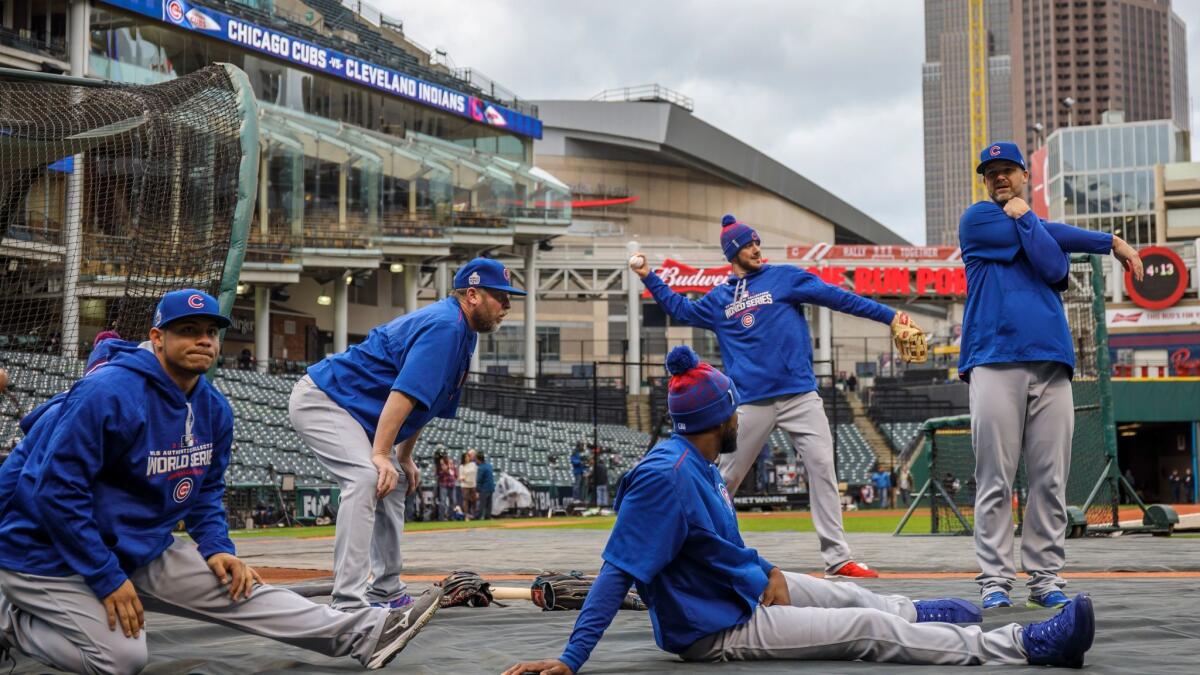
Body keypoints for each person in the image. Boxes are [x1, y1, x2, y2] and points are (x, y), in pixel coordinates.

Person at [503, 346, 1096, 675]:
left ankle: (919, 612)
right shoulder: (667, 477)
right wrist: (570, 660)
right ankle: (1021, 645)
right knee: (866, 629)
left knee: (847, 596)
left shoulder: (696, 460)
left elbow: (710, 550)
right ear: (718, 419)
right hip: (716, 630)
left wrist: (760, 575)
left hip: (737, 594)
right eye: (734, 410)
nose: (741, 418)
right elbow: (619, 571)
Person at [0, 290, 436, 673]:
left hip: (134, 546)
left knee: (241, 588)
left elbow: (205, 490)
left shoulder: (213, 407)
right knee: (121, 659)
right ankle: (7, 619)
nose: (202, 340)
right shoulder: (109, 393)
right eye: (187, 330)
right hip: (42, 554)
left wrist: (217, 548)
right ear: (157, 338)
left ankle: (368, 633)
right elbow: (56, 493)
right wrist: (105, 578)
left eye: (210, 331)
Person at [631, 215, 926, 579]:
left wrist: (890, 315)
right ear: (733, 252)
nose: (757, 249)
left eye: (757, 242)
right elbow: (680, 309)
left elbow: (838, 298)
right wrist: (648, 276)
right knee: (723, 479)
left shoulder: (785, 277)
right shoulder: (719, 299)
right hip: (750, 403)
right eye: (748, 244)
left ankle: (838, 558)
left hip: (800, 396)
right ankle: (697, 552)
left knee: (822, 469)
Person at [960, 141, 1143, 610]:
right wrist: (1101, 242)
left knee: (1050, 480)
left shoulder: (1031, 224)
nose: (999, 177)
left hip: (1051, 361)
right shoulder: (976, 220)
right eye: (991, 172)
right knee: (995, 479)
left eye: (1008, 170)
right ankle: (996, 579)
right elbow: (1050, 254)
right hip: (994, 358)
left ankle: (1044, 577)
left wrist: (1106, 241)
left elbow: (1053, 265)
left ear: (1025, 176)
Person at [288, 257, 523, 610]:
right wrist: (382, 454)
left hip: (355, 411)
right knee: (366, 477)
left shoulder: (464, 332)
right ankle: (348, 603)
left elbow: (425, 403)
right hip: (326, 398)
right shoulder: (446, 326)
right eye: (500, 296)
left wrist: (403, 455)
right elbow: (404, 393)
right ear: (472, 295)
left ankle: (386, 589)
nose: (506, 305)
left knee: (393, 481)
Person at [436, 455, 458, 521]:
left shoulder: (453, 468)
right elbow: (438, 476)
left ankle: (450, 516)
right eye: (449, 463)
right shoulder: (441, 467)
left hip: (452, 485)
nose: (450, 464)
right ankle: (441, 518)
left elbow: (456, 476)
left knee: (453, 501)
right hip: (443, 485)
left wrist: (450, 470)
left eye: (451, 463)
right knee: (442, 502)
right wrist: (444, 470)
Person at [475, 453, 495, 521]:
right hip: (491, 488)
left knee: (482, 504)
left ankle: (478, 517)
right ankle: (487, 517)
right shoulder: (489, 465)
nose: (475, 461)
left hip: (484, 488)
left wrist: (477, 491)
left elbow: (479, 480)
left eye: (476, 459)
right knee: (489, 504)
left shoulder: (481, 468)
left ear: (478, 460)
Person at [460, 449, 478, 519]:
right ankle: (466, 515)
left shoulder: (473, 464)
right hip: (465, 485)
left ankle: (474, 515)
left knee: (474, 500)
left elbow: (474, 473)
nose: (467, 458)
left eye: (468, 457)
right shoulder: (461, 466)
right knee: (466, 500)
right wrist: (464, 477)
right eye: (466, 457)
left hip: (472, 485)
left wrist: (466, 475)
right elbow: (461, 476)